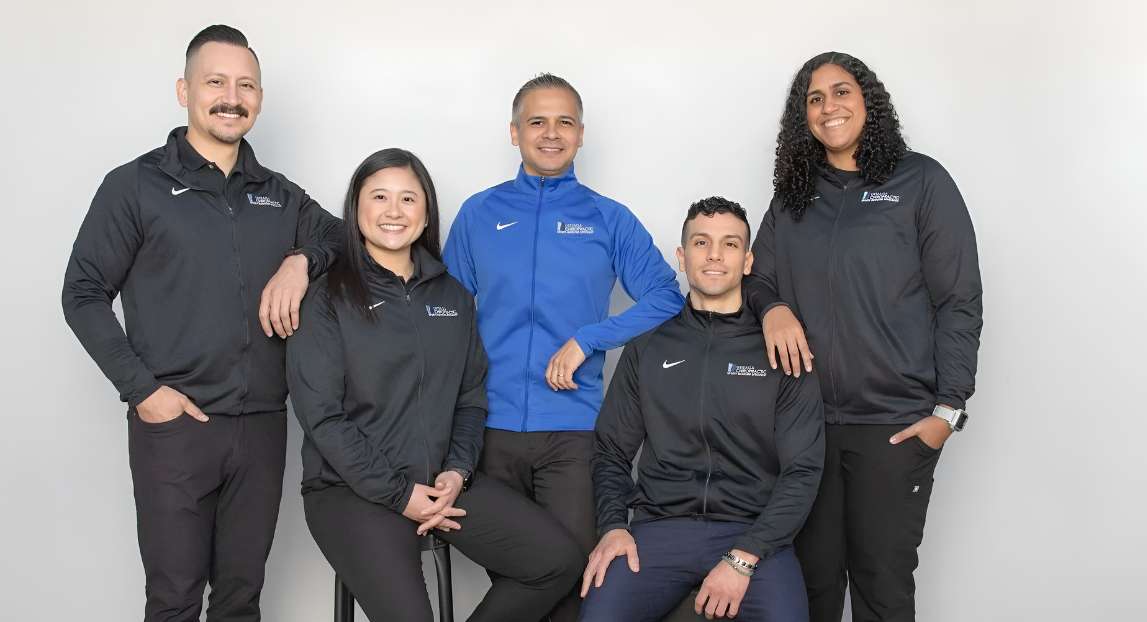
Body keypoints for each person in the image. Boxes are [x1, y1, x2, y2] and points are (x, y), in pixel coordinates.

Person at [61, 25, 342, 622]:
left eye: (245, 85)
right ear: (184, 90)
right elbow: (83, 294)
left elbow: (344, 239)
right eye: (215, 82)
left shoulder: (280, 195)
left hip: (262, 426)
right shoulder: (135, 187)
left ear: (260, 98)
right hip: (176, 426)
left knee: (241, 601)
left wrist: (301, 259)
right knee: (174, 600)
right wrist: (143, 393)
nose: (230, 97)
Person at [286, 148, 587, 622]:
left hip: (442, 483)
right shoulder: (327, 295)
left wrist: (458, 472)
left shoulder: (453, 296)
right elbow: (322, 416)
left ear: (426, 212)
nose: (393, 211)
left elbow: (470, 398)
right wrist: (398, 494)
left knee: (558, 562)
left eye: (409, 199)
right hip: (350, 491)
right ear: (356, 206)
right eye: (379, 196)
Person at [746, 52, 984, 622]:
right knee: (811, 589)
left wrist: (948, 411)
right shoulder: (794, 196)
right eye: (815, 98)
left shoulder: (920, 180)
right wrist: (772, 305)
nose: (829, 107)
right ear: (803, 116)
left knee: (883, 589)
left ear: (867, 101)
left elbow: (958, 298)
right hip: (805, 428)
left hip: (894, 426)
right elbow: (756, 277)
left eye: (841, 91)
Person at [443, 73, 685, 621]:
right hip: (488, 428)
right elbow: (446, 318)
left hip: (575, 433)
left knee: (575, 577)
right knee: (525, 579)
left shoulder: (608, 217)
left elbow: (667, 296)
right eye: (537, 122)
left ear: (580, 134)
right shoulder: (479, 214)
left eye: (565, 122)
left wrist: (589, 338)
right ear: (514, 133)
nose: (551, 134)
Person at [578, 198, 825, 622]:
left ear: (747, 261)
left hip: (753, 533)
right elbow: (611, 452)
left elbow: (802, 470)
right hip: (659, 529)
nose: (714, 254)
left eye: (729, 244)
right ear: (681, 256)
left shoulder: (782, 349)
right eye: (701, 242)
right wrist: (614, 525)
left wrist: (745, 555)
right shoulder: (649, 346)